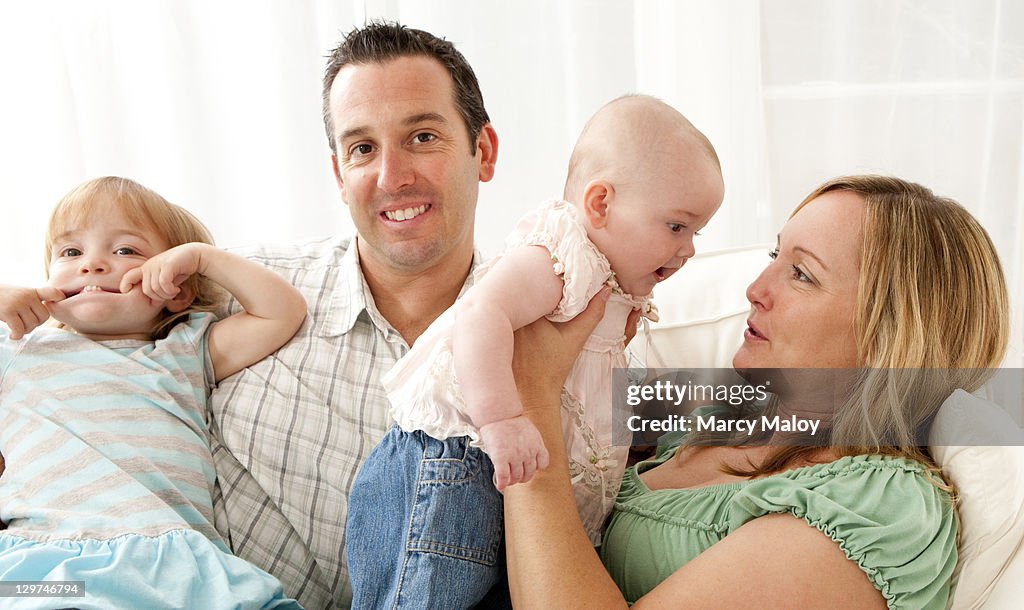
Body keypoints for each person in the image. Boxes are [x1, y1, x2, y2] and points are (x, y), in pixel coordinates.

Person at [502, 175, 1010, 609]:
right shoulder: (736, 408)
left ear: (890, 336)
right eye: (775, 254)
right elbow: (579, 392)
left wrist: (528, 401)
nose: (756, 288)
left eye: (802, 274)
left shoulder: (877, 509)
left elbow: (540, 387)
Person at [345, 94, 723, 608]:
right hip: (454, 458)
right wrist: (501, 421)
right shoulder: (563, 256)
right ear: (600, 204)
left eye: (697, 231)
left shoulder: (611, 285)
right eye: (676, 226)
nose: (689, 249)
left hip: (504, 474)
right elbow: (481, 315)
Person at [206, 21, 499, 608]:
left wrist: (738, 406)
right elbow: (76, 330)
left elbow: (696, 415)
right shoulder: (241, 288)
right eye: (363, 148)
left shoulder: (555, 324)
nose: (392, 178)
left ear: (483, 151)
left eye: (421, 136)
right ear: (340, 173)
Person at [0, 176, 307, 609]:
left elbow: (282, 312)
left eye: (125, 250)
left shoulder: (184, 350)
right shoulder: (17, 349)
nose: (92, 264)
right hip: (45, 562)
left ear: (176, 288)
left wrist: (202, 258)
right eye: (71, 252)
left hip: (171, 568)